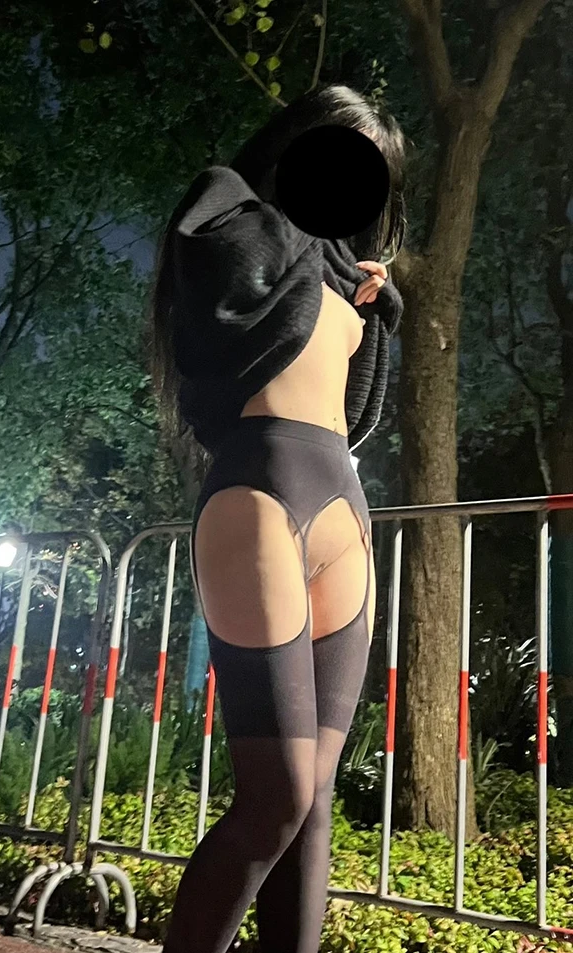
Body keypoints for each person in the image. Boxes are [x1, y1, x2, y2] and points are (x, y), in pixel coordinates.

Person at [150, 83, 407, 953]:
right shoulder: (231, 210)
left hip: (342, 500)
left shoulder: (333, 265)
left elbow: (358, 411)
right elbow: (230, 282)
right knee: (278, 796)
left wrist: (375, 309)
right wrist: (320, 255)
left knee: (315, 801)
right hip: (259, 493)